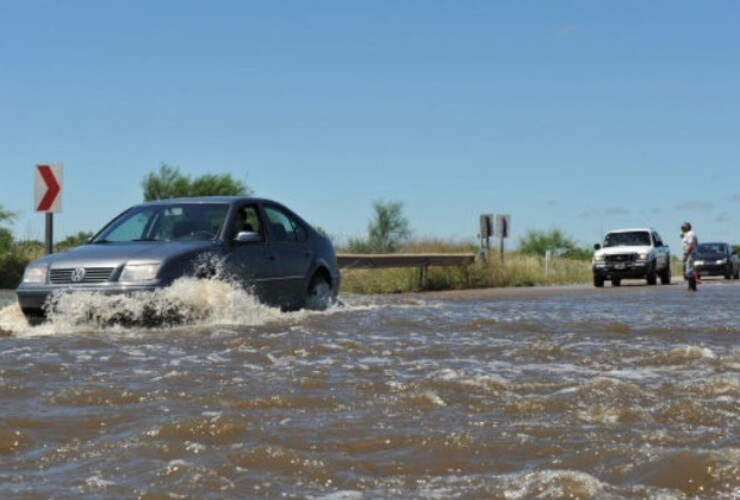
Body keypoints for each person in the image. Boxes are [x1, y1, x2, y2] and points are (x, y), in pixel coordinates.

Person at [681, 222, 698, 291]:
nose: (682, 229)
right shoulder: (688, 234)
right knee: (688, 271)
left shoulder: (690, 234)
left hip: (690, 254)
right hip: (688, 253)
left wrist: (687, 254)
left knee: (689, 271)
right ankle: (691, 287)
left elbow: (691, 244)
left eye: (683, 227)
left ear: (688, 227)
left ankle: (692, 287)